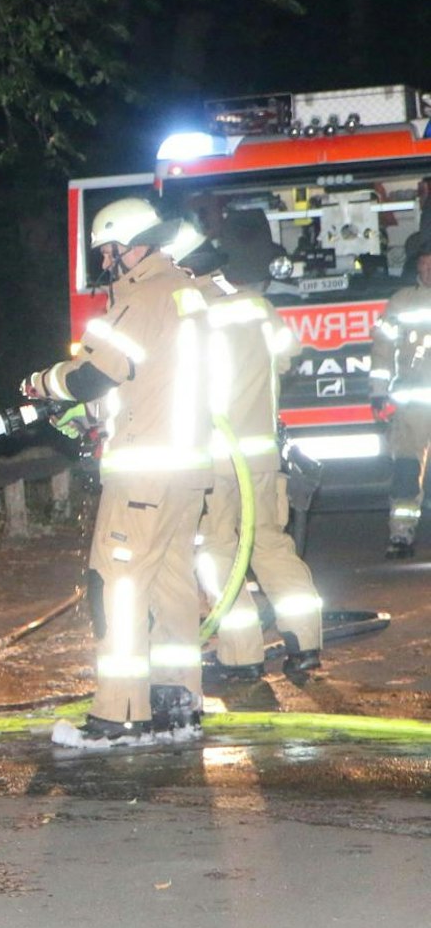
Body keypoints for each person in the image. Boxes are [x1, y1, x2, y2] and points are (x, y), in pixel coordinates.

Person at [22, 199, 211, 740]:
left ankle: (120, 708)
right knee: (173, 585)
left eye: (112, 249)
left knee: (118, 584)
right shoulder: (186, 293)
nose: (107, 260)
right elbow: (152, 379)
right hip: (186, 470)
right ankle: (180, 701)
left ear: (143, 242)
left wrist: (43, 384)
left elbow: (97, 374)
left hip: (144, 473)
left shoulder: (142, 297)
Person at [162, 222, 325, 685]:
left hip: (211, 460)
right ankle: (305, 643)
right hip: (260, 455)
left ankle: (241, 654)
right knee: (272, 543)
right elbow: (288, 355)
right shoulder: (256, 306)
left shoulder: (182, 313)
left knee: (219, 552)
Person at [373, 232, 431, 558]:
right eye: (425, 265)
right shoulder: (401, 302)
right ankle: (401, 535)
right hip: (412, 408)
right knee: (407, 472)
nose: (429, 271)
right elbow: (382, 350)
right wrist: (378, 391)